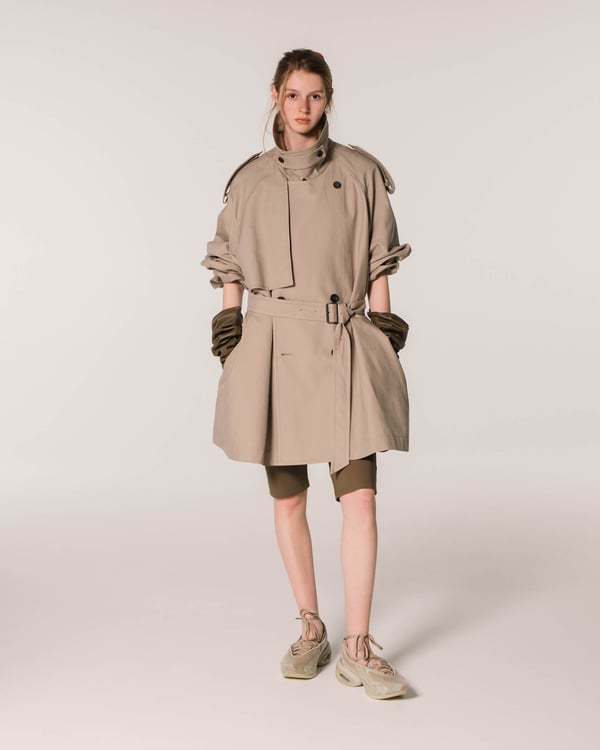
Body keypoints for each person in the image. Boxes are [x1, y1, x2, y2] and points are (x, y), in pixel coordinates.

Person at [201, 49, 412, 700]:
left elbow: (379, 258)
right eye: (293, 94)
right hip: (271, 346)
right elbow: (230, 260)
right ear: (275, 96)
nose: (304, 107)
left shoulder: (361, 173)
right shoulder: (250, 181)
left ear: (328, 99)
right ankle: (312, 627)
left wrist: (384, 332)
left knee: (361, 497)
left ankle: (358, 647)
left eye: (315, 95)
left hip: (344, 341)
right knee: (289, 498)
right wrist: (229, 326)